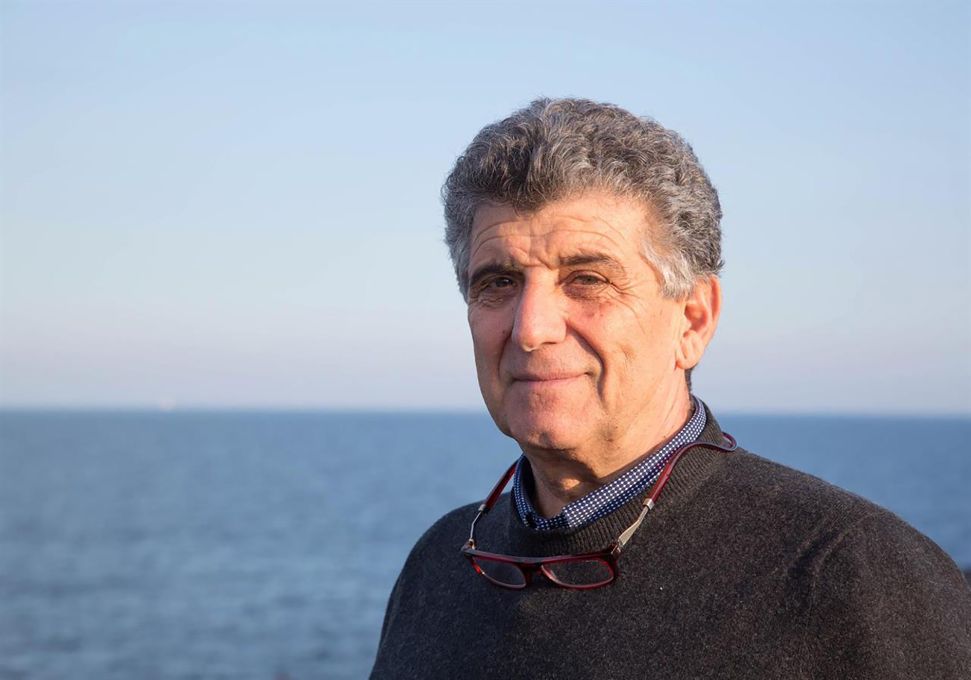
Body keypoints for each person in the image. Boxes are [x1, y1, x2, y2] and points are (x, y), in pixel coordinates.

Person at [370, 98, 971, 679]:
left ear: (692, 321)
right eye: (499, 283)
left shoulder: (848, 575)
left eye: (587, 279)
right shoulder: (441, 565)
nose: (531, 328)